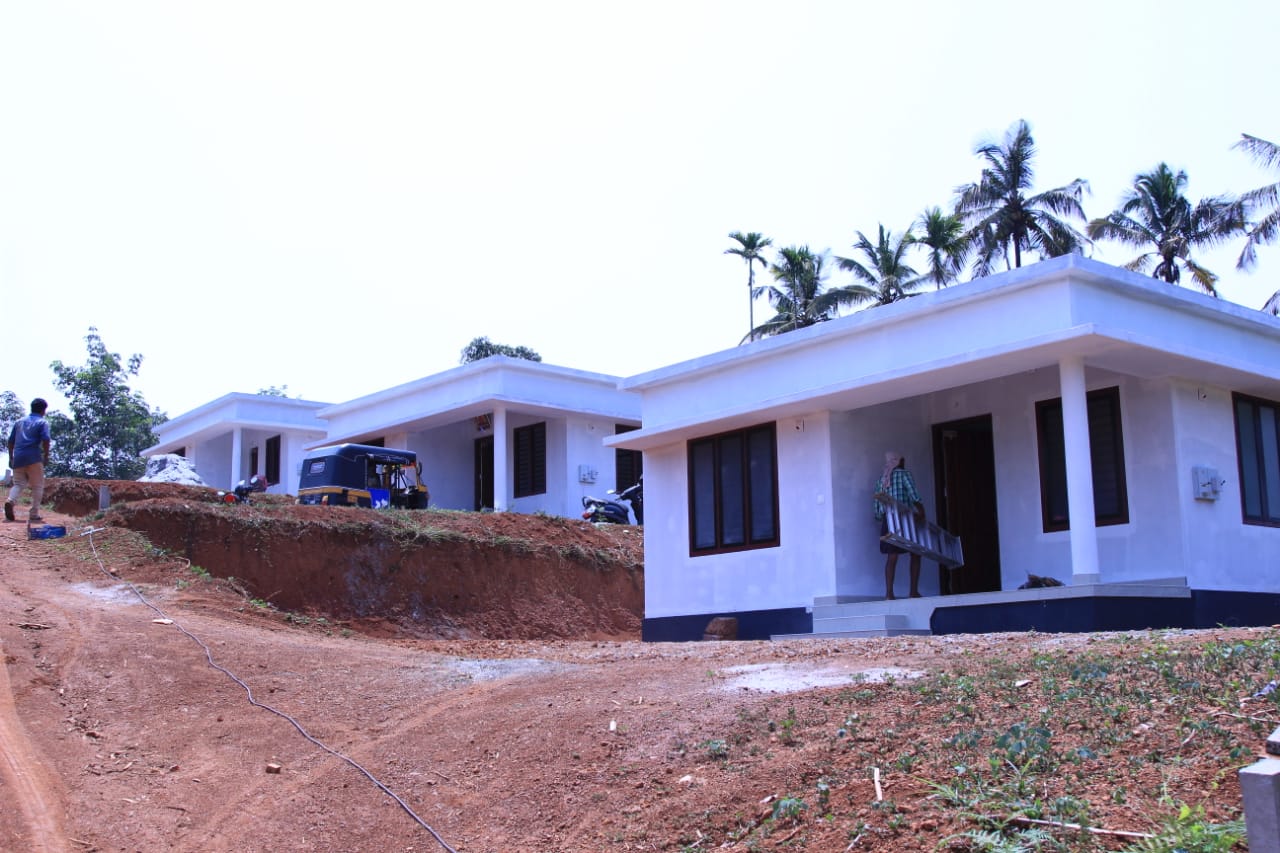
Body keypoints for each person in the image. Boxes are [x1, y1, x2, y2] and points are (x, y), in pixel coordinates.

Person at [873, 451, 924, 600]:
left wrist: (882, 518)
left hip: (888, 520)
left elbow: (877, 507)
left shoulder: (881, 480)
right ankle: (913, 592)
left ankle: (889, 594)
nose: (903, 463)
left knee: (892, 556)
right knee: (916, 552)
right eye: (902, 460)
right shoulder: (904, 474)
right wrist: (922, 512)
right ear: (898, 461)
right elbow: (913, 494)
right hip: (904, 518)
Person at [6, 398, 52, 523]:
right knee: (37, 486)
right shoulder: (42, 422)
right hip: (34, 457)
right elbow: (46, 439)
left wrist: (11, 457)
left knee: (18, 484)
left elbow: (10, 441)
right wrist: (46, 455)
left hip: (18, 457)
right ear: (43, 410)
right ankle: (34, 513)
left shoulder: (19, 422)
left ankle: (10, 500)